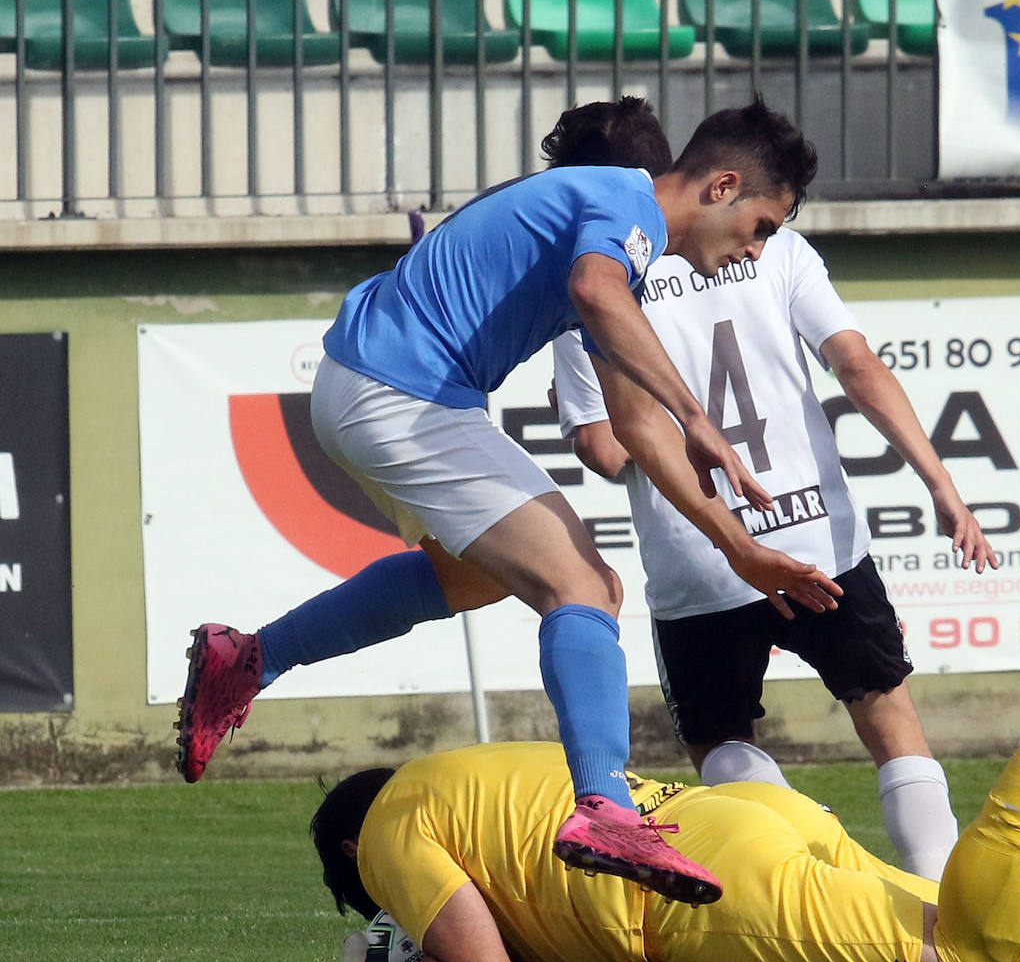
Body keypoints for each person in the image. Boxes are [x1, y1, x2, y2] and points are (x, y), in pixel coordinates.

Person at [178, 97, 844, 907]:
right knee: (587, 587)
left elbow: (636, 426)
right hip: (400, 392)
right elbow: (597, 292)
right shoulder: (626, 213)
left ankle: (249, 657)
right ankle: (605, 807)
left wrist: (736, 545)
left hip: (374, 385)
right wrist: (699, 417)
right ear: (723, 187)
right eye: (764, 223)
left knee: (475, 577)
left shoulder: (609, 219)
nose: (757, 245)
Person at [309, 638, 1020, 962]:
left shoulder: (393, 825)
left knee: (967, 957)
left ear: (357, 847)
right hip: (743, 818)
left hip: (694, 891)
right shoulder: (455, 770)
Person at [550, 218, 998, 881]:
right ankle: (941, 896)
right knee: (888, 714)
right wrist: (943, 485)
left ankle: (824, 868)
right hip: (819, 536)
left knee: (719, 739)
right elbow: (857, 364)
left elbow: (607, 448)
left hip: (702, 550)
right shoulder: (781, 250)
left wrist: (576, 416)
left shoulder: (594, 282)